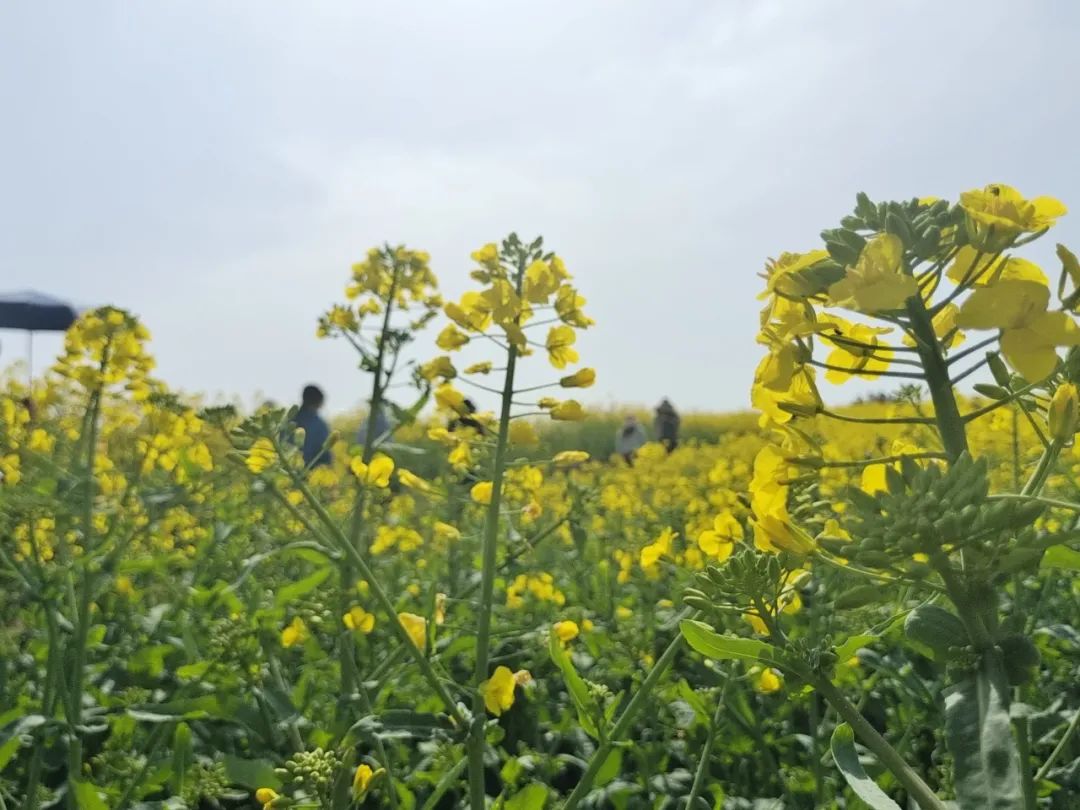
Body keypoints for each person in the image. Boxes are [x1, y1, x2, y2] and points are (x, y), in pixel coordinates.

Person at [292, 385, 331, 467]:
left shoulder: (289, 421)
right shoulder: (320, 425)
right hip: (310, 474)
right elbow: (325, 456)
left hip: (285, 472)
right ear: (319, 402)